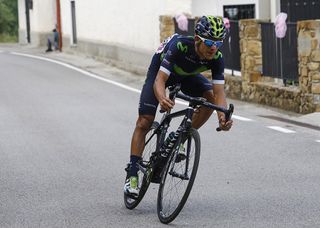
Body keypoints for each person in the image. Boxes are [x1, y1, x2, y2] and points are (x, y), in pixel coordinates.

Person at [124, 16, 233, 196]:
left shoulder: (217, 57)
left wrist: (223, 117)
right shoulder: (180, 46)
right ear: (198, 38)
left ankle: (181, 137)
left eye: (218, 43)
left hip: (186, 75)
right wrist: (162, 98)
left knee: (210, 99)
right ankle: (133, 172)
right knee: (145, 120)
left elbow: (219, 93)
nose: (214, 47)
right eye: (209, 42)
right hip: (161, 71)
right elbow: (160, 80)